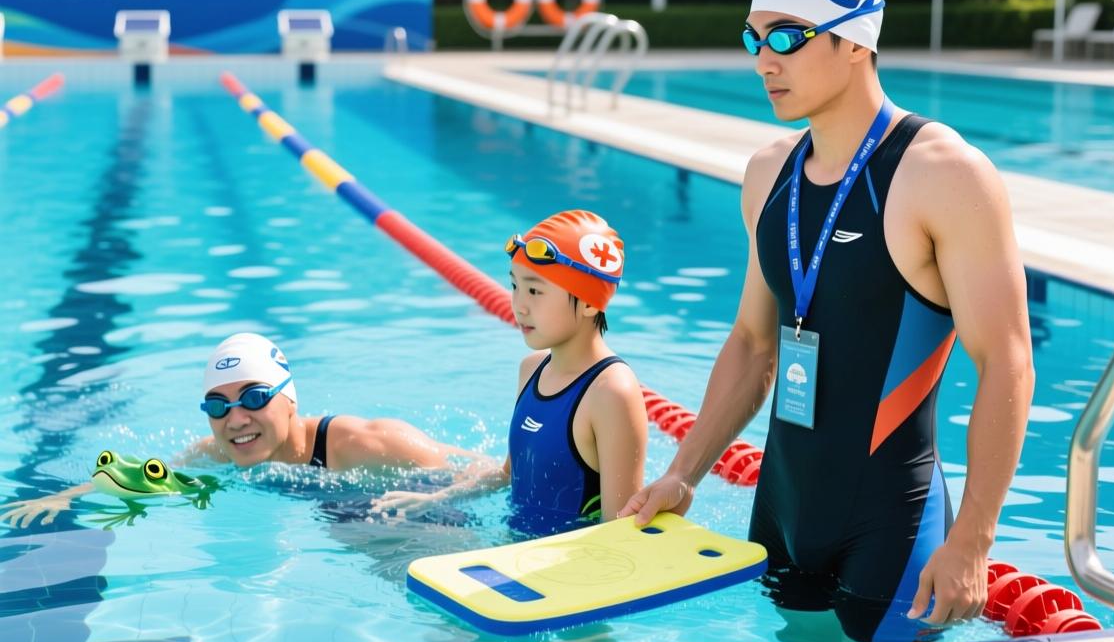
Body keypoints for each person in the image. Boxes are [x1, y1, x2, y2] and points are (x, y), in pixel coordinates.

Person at [620, 0, 1034, 642]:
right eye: (753, 37)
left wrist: (972, 541)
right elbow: (753, 344)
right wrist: (682, 475)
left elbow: (1007, 362)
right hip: (781, 511)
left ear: (854, 41)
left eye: (786, 36)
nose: (763, 61)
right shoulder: (767, 173)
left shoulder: (944, 174)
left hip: (891, 524)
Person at [1, 332, 485, 528]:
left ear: (290, 400)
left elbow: (464, 471)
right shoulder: (216, 451)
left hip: (413, 500)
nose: (235, 419)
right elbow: (150, 476)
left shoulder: (366, 442)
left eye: (255, 398)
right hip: (339, 510)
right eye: (218, 405)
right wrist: (67, 496)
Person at [378, 210, 648, 535]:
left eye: (534, 291)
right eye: (514, 285)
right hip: (513, 553)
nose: (518, 305)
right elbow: (510, 473)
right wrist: (436, 498)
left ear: (590, 302)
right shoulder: (532, 368)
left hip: (565, 574)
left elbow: (619, 529)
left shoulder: (612, 392)